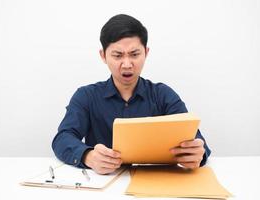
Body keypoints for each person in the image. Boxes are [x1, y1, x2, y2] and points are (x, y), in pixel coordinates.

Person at [52, 14, 211, 175]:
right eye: (118, 55)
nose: (127, 64)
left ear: (146, 53)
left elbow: (197, 140)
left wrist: (198, 153)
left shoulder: (163, 95)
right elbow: (63, 138)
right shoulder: (86, 96)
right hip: (103, 183)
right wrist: (88, 155)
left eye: (134, 54)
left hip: (155, 182)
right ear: (103, 56)